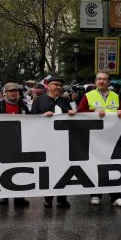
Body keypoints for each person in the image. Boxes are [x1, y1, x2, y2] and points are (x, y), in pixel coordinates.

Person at [77, 72, 121, 207]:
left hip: (112, 137)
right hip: (94, 137)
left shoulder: (116, 96)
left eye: (104, 79)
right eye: (99, 79)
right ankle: (95, 194)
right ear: (95, 81)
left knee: (114, 165)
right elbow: (80, 112)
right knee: (96, 165)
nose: (101, 81)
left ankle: (115, 197)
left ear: (108, 82)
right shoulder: (88, 96)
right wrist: (93, 113)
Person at [30, 76, 76, 208]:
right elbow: (31, 119)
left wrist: (73, 114)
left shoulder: (65, 101)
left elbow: (71, 116)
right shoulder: (39, 100)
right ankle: (48, 198)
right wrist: (42, 116)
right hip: (46, 142)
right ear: (48, 86)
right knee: (48, 171)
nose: (58, 87)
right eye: (55, 84)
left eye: (60, 85)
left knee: (63, 170)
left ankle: (62, 198)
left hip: (62, 142)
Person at [0, 82, 31, 207]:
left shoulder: (23, 106)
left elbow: (30, 122)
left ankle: (19, 197)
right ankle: (4, 196)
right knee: (4, 170)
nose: (14, 93)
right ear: (5, 93)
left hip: (19, 143)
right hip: (3, 143)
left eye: (16, 91)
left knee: (20, 170)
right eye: (11, 91)